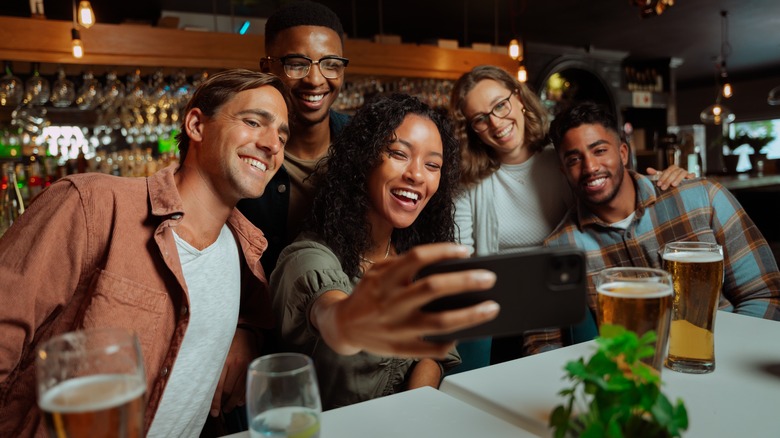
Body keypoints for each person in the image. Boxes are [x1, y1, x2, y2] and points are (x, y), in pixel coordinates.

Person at [0, 69, 291, 437]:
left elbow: (241, 320)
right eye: (253, 122)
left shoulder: (246, 253)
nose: (272, 144)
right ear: (197, 125)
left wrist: (245, 332)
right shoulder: (91, 205)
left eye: (282, 134)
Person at [448, 65, 691, 369]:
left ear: (520, 99)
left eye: (500, 105)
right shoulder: (468, 182)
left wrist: (669, 177)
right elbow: (461, 263)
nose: (496, 123)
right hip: (501, 307)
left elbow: (615, 187)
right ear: (471, 129)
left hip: (570, 297)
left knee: (580, 309)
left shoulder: (566, 158)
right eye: (481, 119)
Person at [270, 94, 500, 410]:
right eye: (398, 154)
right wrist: (352, 320)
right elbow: (333, 318)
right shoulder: (308, 258)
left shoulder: (416, 254)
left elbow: (433, 354)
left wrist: (410, 413)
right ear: (362, 159)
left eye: (432, 165)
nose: (417, 175)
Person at [535, 101, 780, 351]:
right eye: (574, 159)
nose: (590, 167)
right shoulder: (559, 249)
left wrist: (722, 354)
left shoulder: (702, 199)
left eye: (599, 151)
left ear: (622, 153)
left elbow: (764, 294)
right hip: (633, 379)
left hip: (722, 357)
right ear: (563, 171)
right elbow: (543, 345)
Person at [238, 1, 351, 275]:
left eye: (331, 64)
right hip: (253, 313)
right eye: (297, 64)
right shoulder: (239, 148)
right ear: (266, 68)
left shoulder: (365, 145)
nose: (315, 80)